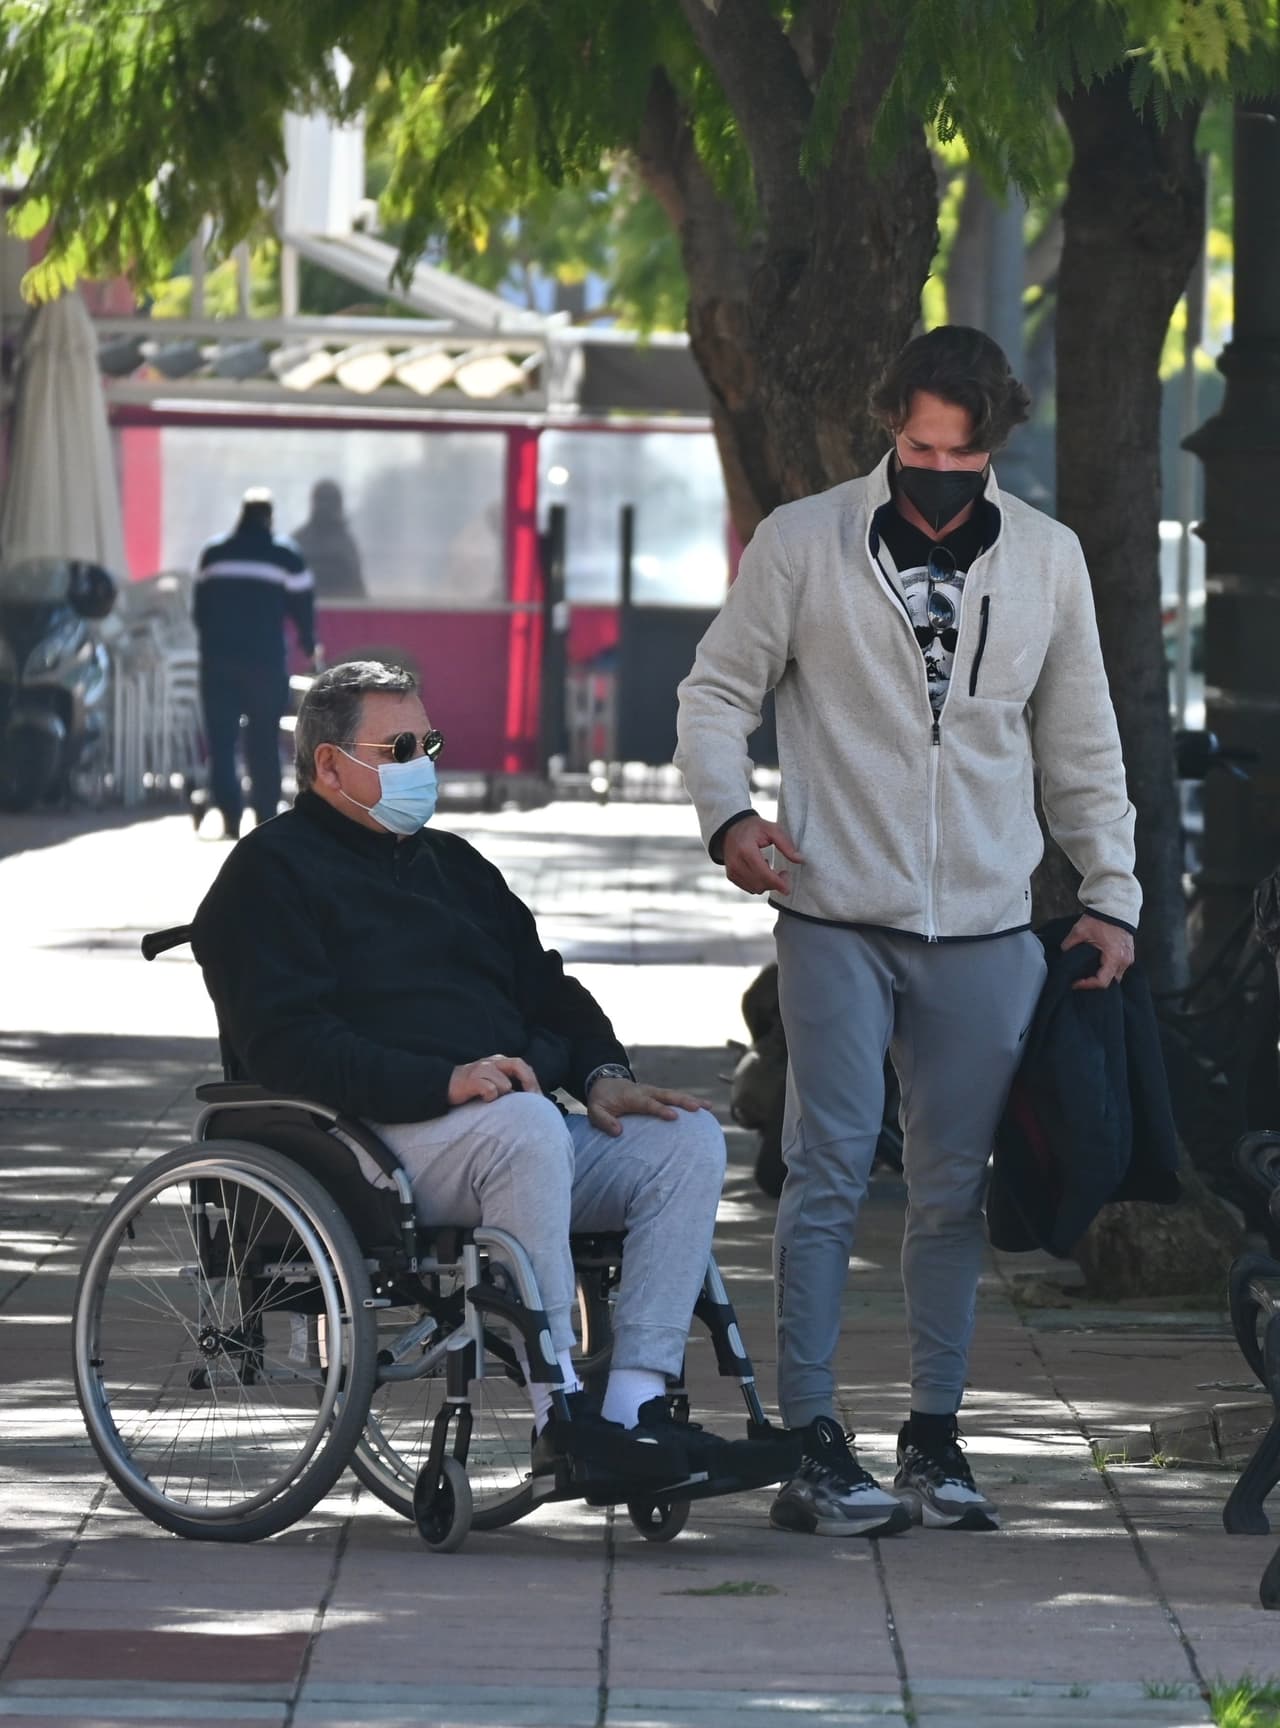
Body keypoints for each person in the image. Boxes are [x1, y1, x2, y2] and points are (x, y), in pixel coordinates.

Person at [675, 325, 1140, 1538]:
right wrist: (727, 816)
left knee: (950, 1190)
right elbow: (716, 691)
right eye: (917, 442)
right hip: (832, 908)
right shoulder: (803, 542)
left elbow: (1080, 740)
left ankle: (935, 1437)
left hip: (987, 923)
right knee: (823, 1171)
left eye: (960, 449)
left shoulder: (1045, 559)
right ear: (892, 428)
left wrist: (1110, 892)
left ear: (992, 445)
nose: (936, 466)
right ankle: (811, 1440)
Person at [192, 658, 794, 1493]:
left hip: (507, 1130)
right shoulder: (266, 876)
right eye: (398, 747)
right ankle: (561, 1417)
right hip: (374, 1139)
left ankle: (634, 1409)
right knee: (525, 1124)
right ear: (329, 765)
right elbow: (288, 1047)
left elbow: (547, 987)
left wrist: (604, 1074)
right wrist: (441, 1082)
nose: (423, 764)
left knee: (683, 1138)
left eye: (427, 743)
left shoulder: (454, 866)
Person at [194, 488, 317, 840]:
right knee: (263, 739)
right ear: (270, 517)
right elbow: (303, 609)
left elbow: (200, 611)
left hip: (218, 662)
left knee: (221, 741)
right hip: (264, 664)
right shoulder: (285, 556)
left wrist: (213, 645)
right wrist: (309, 646)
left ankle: (230, 816)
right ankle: (265, 817)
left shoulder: (214, 555)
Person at [292, 479, 366, 601]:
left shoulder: (345, 543)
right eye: (323, 501)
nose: (325, 507)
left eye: (328, 501)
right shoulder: (299, 542)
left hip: (340, 611)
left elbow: (356, 590)